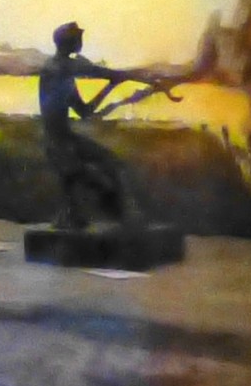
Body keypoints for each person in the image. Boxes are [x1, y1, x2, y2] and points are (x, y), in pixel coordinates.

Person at [39, 22, 178, 232]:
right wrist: (127, 78)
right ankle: (120, 218)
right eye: (78, 38)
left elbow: (85, 111)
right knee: (106, 175)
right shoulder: (60, 67)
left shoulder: (61, 72)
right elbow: (102, 72)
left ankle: (75, 216)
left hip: (63, 141)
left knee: (107, 171)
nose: (81, 42)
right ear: (70, 42)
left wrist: (112, 85)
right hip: (60, 146)